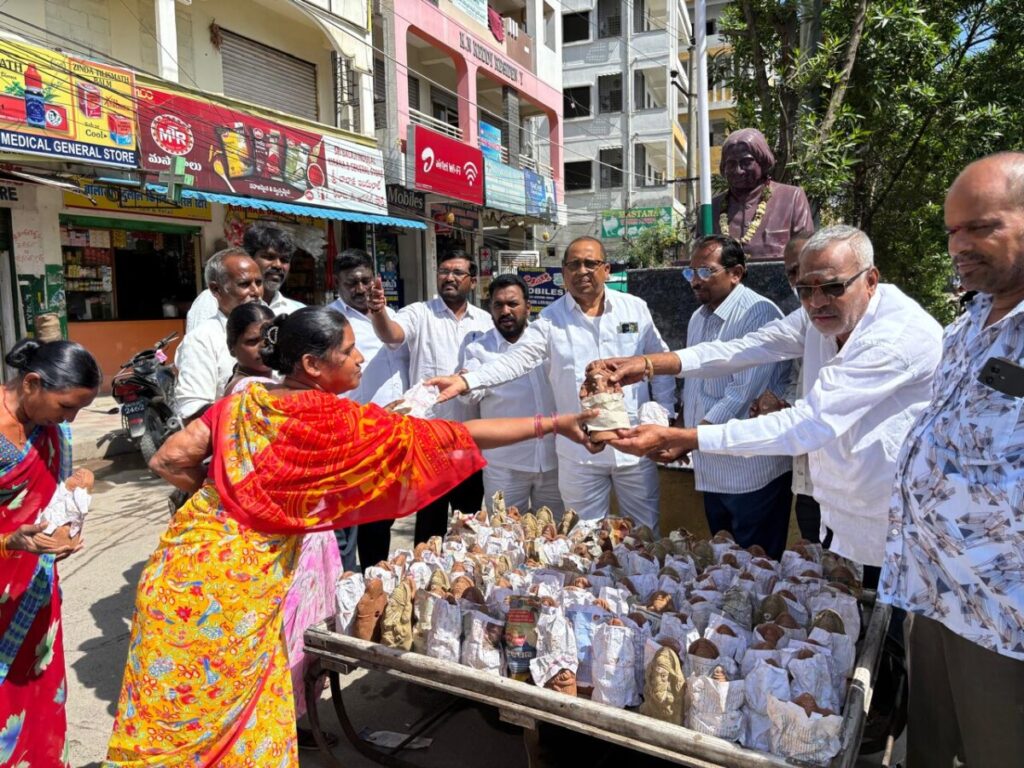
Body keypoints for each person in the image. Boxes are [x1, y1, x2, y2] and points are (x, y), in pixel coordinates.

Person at [104, 307, 594, 767]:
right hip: (237, 588)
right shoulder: (335, 422)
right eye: (349, 350)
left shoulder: (240, 403)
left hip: (179, 565)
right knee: (229, 711)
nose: (361, 358)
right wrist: (553, 423)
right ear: (312, 365)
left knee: (174, 712)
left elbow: (167, 459)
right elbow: (458, 437)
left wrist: (223, 497)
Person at [594, 225, 943, 576]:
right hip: (842, 508)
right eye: (804, 289)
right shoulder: (817, 316)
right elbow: (746, 347)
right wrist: (649, 364)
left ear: (870, 280)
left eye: (832, 287)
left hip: (898, 518)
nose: (817, 302)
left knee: (889, 608)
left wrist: (689, 438)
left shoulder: (892, 338)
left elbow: (808, 423)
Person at [879, 152, 1024, 766]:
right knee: (929, 750)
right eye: (952, 231)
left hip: (1003, 617)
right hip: (933, 592)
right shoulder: (966, 325)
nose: (959, 245)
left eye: (981, 227)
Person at [428, 237, 675, 530]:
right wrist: (467, 380)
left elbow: (660, 362)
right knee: (581, 537)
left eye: (590, 263)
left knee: (644, 531)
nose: (582, 271)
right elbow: (517, 359)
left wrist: (663, 413)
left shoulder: (634, 309)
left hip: (634, 445)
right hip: (579, 453)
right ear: (563, 273)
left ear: (606, 269)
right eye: (574, 265)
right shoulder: (551, 319)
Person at [0, 339, 100, 766]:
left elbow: (51, 498)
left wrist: (69, 520)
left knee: (39, 694)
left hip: (35, 593)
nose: (69, 420)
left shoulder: (51, 430)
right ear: (31, 383)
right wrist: (8, 541)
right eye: (65, 407)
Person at [368, 250, 493, 543]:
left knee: (469, 524)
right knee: (428, 526)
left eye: (457, 272)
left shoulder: (485, 321)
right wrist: (379, 311)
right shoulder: (419, 313)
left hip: (469, 438)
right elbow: (392, 334)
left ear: (473, 281)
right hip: (428, 441)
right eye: (444, 271)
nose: (449, 277)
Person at [680, 235, 792, 558]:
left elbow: (743, 392)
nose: (695, 281)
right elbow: (694, 382)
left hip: (751, 470)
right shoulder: (698, 317)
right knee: (724, 560)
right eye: (690, 273)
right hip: (712, 466)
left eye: (705, 271)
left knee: (757, 564)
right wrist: (685, 429)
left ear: (736, 273)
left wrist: (689, 436)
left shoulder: (758, 313)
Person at [328, 248, 410, 569]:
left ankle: (376, 575)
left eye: (365, 281)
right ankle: (353, 581)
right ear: (337, 284)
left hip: (393, 434)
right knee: (354, 520)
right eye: (351, 283)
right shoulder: (332, 323)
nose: (360, 289)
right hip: (355, 437)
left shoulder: (394, 317)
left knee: (383, 515)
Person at [462, 273, 562, 515]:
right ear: (491, 309)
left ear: (528, 307)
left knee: (556, 531)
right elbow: (471, 393)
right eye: (498, 305)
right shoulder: (478, 350)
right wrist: (465, 383)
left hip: (554, 461)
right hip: (505, 466)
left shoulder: (551, 343)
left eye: (512, 304)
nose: (505, 311)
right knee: (503, 532)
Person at [749, 231, 821, 542]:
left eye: (804, 268)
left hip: (852, 484)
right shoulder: (803, 319)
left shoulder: (871, 325)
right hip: (807, 477)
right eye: (791, 272)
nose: (798, 280)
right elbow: (751, 349)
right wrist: (783, 405)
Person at [174, 247, 263, 422]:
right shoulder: (202, 339)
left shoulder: (274, 327)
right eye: (244, 284)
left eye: (259, 283)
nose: (256, 292)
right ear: (216, 289)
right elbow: (193, 410)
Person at [712, 128, 814, 261]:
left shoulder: (792, 198)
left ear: (763, 161)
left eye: (746, 162)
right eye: (731, 164)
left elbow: (805, 255)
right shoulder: (711, 208)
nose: (738, 171)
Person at [186, 224, 301, 331]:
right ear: (249, 258)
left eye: (284, 260)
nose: (278, 265)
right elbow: (197, 342)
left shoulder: (296, 311)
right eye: (269, 257)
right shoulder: (212, 299)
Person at [223, 302, 276, 394]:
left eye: (272, 337)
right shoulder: (249, 388)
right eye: (253, 341)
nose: (265, 345)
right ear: (231, 347)